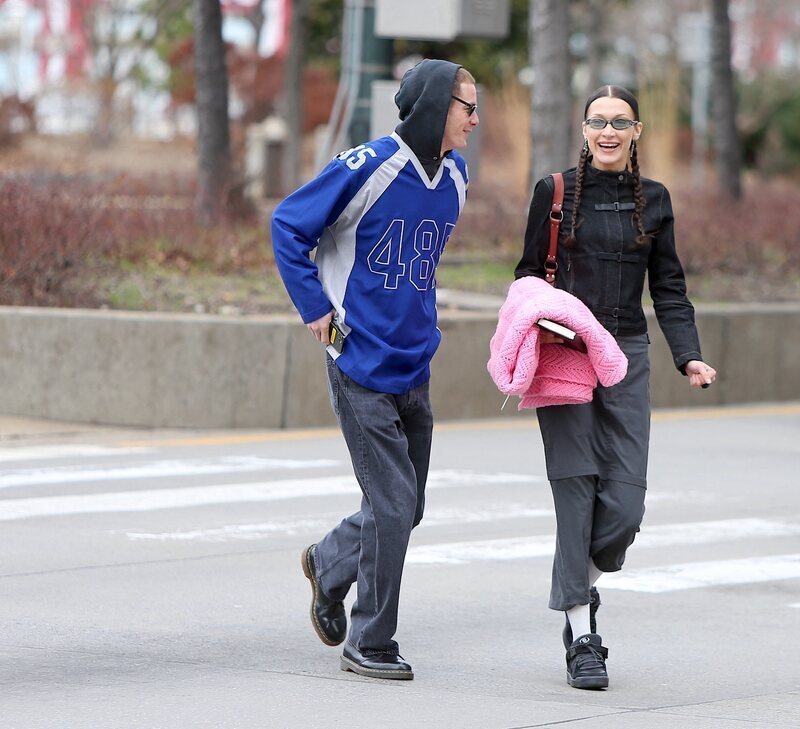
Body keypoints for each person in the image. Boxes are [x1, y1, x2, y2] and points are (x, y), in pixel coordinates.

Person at [270, 59, 479, 681]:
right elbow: (288, 225)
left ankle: (329, 562)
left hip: (415, 364)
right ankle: (372, 640)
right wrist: (317, 312)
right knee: (391, 504)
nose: (474, 117)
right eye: (467, 105)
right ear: (438, 107)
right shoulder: (369, 166)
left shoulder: (457, 177)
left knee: (405, 507)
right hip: (358, 362)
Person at [515, 85, 716, 690]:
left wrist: (690, 357)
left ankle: (581, 587)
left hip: (626, 353)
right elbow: (527, 272)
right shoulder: (554, 194)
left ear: (637, 132)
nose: (608, 131)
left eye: (619, 122)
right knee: (576, 489)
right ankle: (583, 635)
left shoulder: (654, 200)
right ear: (583, 129)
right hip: (565, 350)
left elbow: (670, 288)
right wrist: (550, 317)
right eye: (597, 121)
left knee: (624, 505)